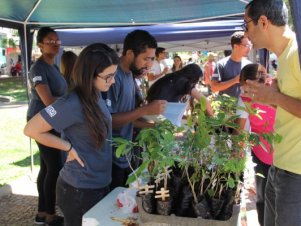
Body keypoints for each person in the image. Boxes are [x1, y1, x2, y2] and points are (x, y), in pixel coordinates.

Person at [24, 43, 119, 226]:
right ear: (89, 75)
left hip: (98, 183)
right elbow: (31, 129)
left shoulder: (96, 93)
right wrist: (67, 146)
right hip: (79, 190)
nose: (113, 81)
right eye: (108, 77)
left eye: (113, 75)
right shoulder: (72, 102)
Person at [242, 1, 301, 225]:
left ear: (263, 22)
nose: (246, 34)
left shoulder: (296, 54)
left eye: (246, 24)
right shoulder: (285, 56)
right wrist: (273, 98)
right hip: (280, 167)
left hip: (296, 174)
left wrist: (274, 98)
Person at [105, 30, 167, 190]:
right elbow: (108, 121)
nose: (149, 64)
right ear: (130, 53)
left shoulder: (130, 76)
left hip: (125, 154)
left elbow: (131, 117)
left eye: (152, 59)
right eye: (146, 59)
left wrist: (153, 125)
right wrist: (145, 109)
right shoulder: (112, 76)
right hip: (109, 158)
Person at [26, 27, 67, 226]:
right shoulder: (38, 68)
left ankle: (42, 212)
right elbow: (48, 101)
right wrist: (70, 103)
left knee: (46, 167)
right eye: (50, 41)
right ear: (40, 45)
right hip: (41, 122)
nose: (55, 43)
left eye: (57, 40)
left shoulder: (54, 66)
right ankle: (50, 214)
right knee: (55, 167)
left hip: (53, 121)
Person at [236, 63, 275, 226]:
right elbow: (242, 131)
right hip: (263, 151)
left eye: (246, 88)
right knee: (264, 195)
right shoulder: (274, 89)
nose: (245, 93)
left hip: (279, 149)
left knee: (266, 196)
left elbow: (241, 131)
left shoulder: (275, 89)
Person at [146, 63, 213, 116]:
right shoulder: (183, 82)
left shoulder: (173, 76)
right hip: (156, 113)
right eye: (197, 80)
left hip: (150, 109)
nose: (196, 83)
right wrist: (213, 119)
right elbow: (204, 101)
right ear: (194, 77)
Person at [211, 31, 252, 98]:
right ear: (235, 46)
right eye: (246, 45)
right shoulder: (221, 64)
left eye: (250, 45)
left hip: (244, 106)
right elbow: (214, 88)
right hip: (226, 106)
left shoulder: (249, 65)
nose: (249, 48)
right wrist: (235, 80)